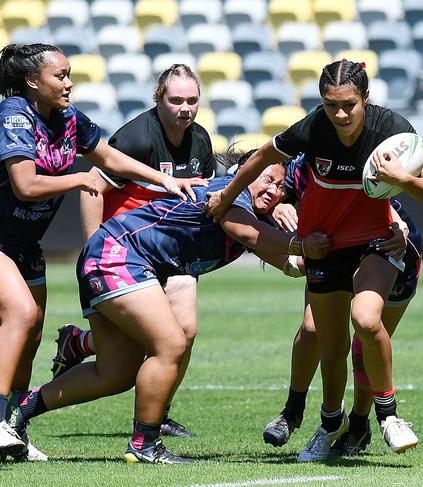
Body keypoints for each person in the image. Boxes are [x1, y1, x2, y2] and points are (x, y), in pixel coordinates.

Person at [11, 150, 331, 464]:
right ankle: (145, 443)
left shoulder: (251, 215)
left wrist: (338, 257)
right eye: (268, 179)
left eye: (280, 187)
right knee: (172, 343)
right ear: (244, 171)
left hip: (113, 256)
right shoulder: (228, 194)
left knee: (115, 373)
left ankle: (20, 409)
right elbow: (240, 228)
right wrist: (298, 243)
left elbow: (291, 264)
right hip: (119, 254)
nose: (274, 190)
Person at [204, 59, 423, 462]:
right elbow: (263, 155)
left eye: (349, 104)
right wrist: (228, 197)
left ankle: (388, 415)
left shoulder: (392, 131)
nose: (340, 114)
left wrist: (401, 177)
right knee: (330, 351)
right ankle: (329, 424)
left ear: (365, 97)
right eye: (331, 105)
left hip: (374, 243)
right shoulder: (313, 129)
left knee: (367, 320)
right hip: (326, 250)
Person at [0, 43, 205, 461]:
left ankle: (12, 428)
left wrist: (166, 182)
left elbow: (110, 157)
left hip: (25, 243)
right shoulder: (13, 116)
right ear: (32, 81)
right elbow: (25, 185)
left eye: (70, 73)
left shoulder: (68, 119)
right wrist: (78, 181)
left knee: (34, 330)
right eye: (61, 76)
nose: (69, 83)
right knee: (20, 314)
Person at [50, 63, 217, 438]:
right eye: (175, 100)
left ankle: (158, 411)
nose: (184, 108)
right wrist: (94, 247)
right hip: (125, 252)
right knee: (133, 349)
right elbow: (92, 184)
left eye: (192, 100)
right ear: (159, 99)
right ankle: (81, 344)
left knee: (184, 331)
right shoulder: (138, 137)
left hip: (171, 254)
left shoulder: (201, 141)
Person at [262, 153, 423, 457]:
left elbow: (390, 204)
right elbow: (273, 195)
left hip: (389, 247)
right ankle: (294, 412)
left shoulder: (362, 153)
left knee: (366, 339)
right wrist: (278, 207)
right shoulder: (303, 161)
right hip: (334, 250)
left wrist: (399, 230)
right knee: (313, 329)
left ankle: (361, 424)